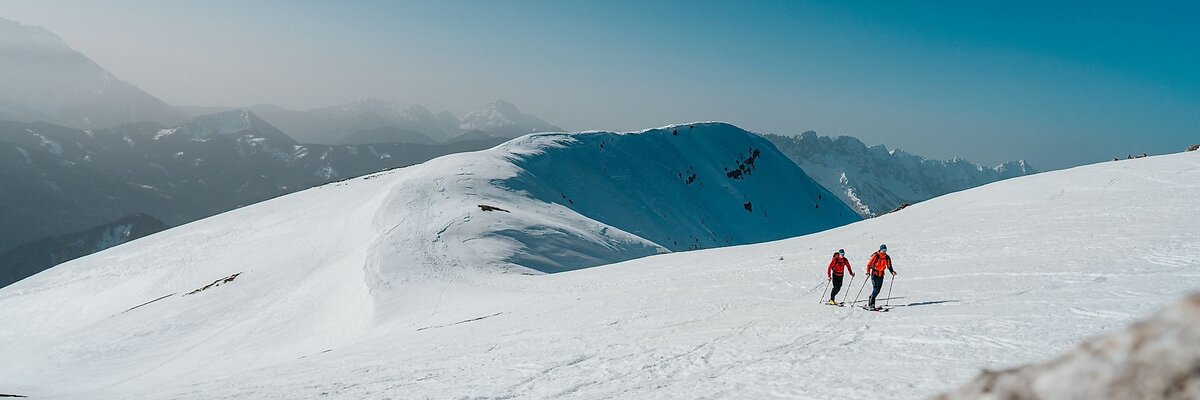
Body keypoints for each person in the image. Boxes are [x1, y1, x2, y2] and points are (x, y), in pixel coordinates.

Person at [865, 244, 896, 310]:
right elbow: (869, 264)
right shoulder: (876, 255)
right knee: (875, 289)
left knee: (878, 290)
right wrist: (868, 272)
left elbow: (889, 266)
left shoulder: (887, 257)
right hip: (874, 274)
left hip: (881, 275)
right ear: (880, 250)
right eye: (883, 250)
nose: (884, 251)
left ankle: (871, 299)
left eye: (885, 250)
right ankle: (871, 304)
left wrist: (892, 272)